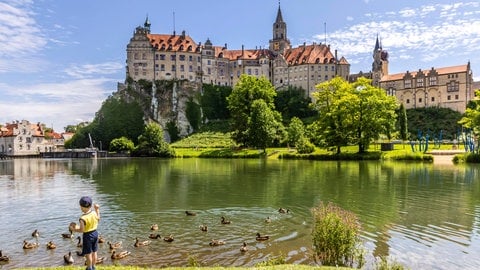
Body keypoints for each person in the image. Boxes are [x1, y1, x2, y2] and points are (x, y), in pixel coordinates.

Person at [69, 196, 100, 270]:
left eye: (80, 206)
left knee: (88, 253)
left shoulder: (82, 218)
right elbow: (98, 219)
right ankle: (93, 266)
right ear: (90, 205)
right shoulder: (93, 213)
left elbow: (82, 230)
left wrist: (73, 229)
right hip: (95, 233)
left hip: (88, 236)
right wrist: (97, 209)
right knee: (94, 252)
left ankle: (89, 268)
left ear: (82, 207)